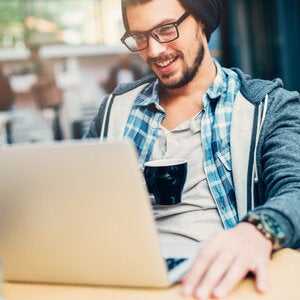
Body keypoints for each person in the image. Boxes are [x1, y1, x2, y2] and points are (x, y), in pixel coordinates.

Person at [85, 0, 300, 299]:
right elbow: (80, 194)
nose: (154, 50)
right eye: (141, 37)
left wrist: (258, 230)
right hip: (124, 279)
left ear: (201, 20)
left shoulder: (268, 107)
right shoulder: (114, 109)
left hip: (220, 281)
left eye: (166, 29)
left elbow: (295, 189)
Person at [28, 44, 64, 140]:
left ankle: (59, 147)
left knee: (54, 125)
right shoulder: (38, 64)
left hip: (52, 99)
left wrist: (35, 85)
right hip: (47, 100)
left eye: (31, 53)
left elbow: (49, 78)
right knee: (51, 126)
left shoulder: (44, 63)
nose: (29, 55)